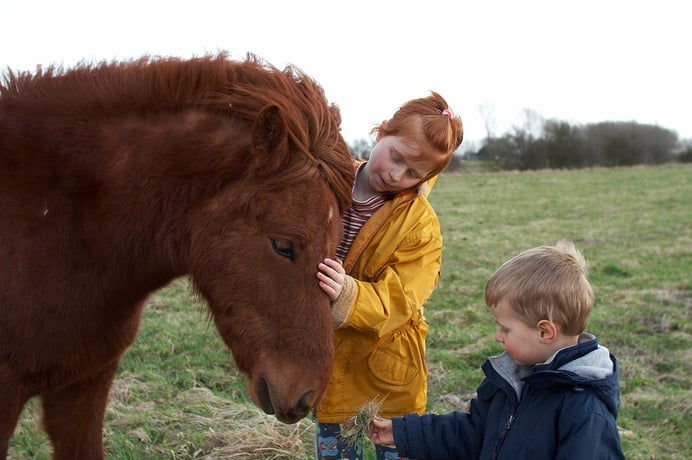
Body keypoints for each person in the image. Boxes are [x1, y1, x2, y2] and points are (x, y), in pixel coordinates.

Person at [366, 240, 626, 459]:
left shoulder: (585, 411)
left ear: (545, 332)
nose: (498, 336)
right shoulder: (513, 379)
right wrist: (403, 432)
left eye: (506, 328)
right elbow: (471, 433)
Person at [314, 91, 463, 459]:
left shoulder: (420, 225)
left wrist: (348, 295)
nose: (396, 175)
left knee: (396, 451)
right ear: (382, 133)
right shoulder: (326, 182)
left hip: (388, 372)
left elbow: (401, 299)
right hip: (330, 360)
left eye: (414, 173)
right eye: (396, 157)